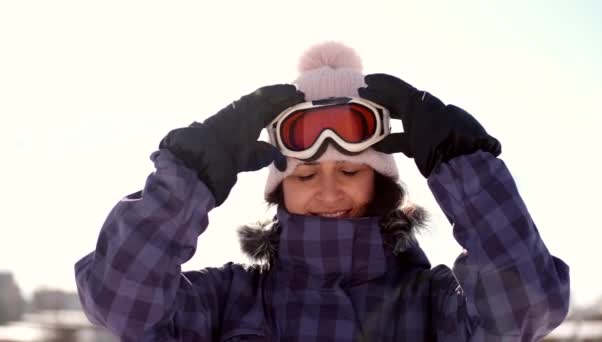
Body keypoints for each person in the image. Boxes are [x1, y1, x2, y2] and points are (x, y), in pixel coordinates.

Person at [74, 41, 570, 341]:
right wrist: (188, 176)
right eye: (306, 176)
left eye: (351, 172)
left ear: (381, 185)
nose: (328, 192)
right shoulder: (229, 298)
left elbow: (526, 308)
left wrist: (464, 166)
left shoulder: (433, 302)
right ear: (279, 192)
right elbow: (120, 302)